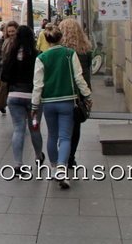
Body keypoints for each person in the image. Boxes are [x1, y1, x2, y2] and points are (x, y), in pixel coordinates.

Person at [31, 25, 92, 189]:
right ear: (61, 38)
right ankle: (62, 170)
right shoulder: (69, 54)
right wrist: (87, 96)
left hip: (48, 102)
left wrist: (34, 105)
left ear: (47, 40)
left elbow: (38, 85)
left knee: (52, 135)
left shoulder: (41, 58)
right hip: (67, 101)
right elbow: (78, 78)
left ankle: (53, 167)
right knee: (65, 137)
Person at [0, 25, 44, 174]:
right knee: (34, 129)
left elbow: (4, 76)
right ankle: (39, 156)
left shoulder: (11, 54)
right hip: (33, 98)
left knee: (18, 129)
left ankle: (18, 164)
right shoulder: (37, 55)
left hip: (14, 97)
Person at [59, 18, 93, 168]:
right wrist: (87, 95)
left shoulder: (60, 50)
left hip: (63, 92)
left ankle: (63, 155)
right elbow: (86, 72)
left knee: (63, 127)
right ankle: (71, 157)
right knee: (76, 125)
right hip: (80, 92)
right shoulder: (85, 49)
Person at [0, 20, 19, 114]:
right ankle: (1, 104)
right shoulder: (2, 42)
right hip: (4, 69)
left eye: (13, 31)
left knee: (12, 89)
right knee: (3, 89)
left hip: (16, 69)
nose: (11, 33)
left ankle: (7, 104)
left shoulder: (19, 42)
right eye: (9, 32)